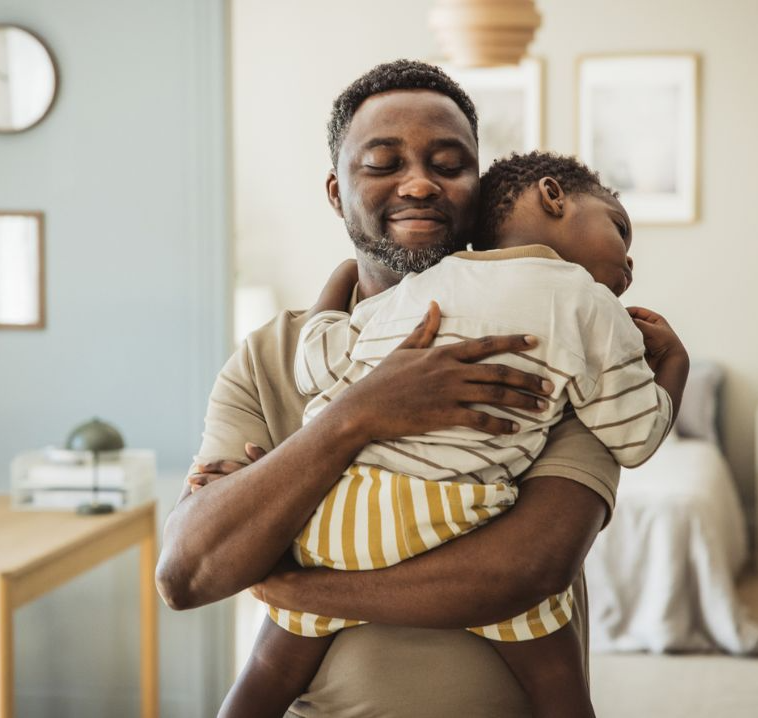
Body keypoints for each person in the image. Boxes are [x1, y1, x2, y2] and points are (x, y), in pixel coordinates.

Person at [156, 59, 684, 717]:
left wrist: (291, 584)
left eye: (449, 164)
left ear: (479, 187)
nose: (420, 183)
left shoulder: (551, 340)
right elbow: (187, 571)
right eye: (382, 163)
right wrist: (357, 416)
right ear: (335, 191)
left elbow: (525, 569)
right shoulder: (270, 357)